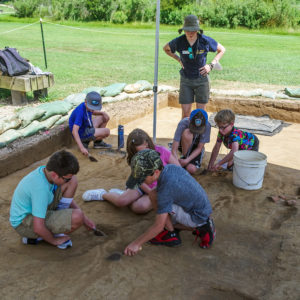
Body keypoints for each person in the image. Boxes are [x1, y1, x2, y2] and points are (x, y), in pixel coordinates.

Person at [123, 149, 215, 256]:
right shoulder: (169, 168)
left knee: (158, 201)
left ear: (156, 172)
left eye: (142, 178)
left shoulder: (166, 189)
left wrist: (136, 243)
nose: (140, 181)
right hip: (200, 208)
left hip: (197, 216)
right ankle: (174, 228)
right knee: (153, 194)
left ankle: (181, 232)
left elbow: (158, 226)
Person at [9, 150, 95, 249]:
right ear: (54, 175)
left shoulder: (46, 172)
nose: (67, 180)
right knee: (77, 217)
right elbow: (38, 227)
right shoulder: (40, 189)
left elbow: (66, 184)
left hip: (35, 211)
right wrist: (55, 241)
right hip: (24, 224)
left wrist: (85, 218)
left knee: (73, 181)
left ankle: (57, 223)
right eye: (65, 179)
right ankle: (42, 237)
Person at [82, 128, 180, 214]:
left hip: (161, 188)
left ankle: (122, 194)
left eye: (146, 148)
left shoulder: (162, 151)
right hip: (144, 186)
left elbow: (178, 169)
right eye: (140, 152)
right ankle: (102, 194)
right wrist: (150, 192)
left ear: (148, 143)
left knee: (139, 207)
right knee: (121, 202)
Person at [163, 14, 225, 119]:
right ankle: (186, 134)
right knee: (186, 114)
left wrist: (211, 65)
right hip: (186, 80)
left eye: (193, 30)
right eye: (187, 30)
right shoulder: (179, 41)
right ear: (183, 30)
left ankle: (199, 135)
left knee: (200, 114)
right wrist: (178, 59)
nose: (190, 33)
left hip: (202, 79)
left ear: (197, 30)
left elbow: (222, 49)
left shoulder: (205, 41)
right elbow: (166, 48)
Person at [69, 91, 111, 156]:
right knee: (107, 131)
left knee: (104, 117)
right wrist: (82, 148)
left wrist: (103, 113)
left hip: (86, 127)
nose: (92, 110)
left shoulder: (86, 106)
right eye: (91, 107)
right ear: (85, 101)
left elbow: (93, 112)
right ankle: (84, 142)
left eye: (94, 108)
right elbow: (74, 131)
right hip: (81, 133)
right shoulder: (80, 112)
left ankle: (98, 143)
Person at [171, 108, 211, 174]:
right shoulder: (183, 123)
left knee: (191, 169)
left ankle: (186, 159)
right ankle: (184, 155)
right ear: (189, 119)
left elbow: (199, 148)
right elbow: (174, 149)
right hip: (183, 144)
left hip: (196, 147)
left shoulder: (207, 126)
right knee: (188, 132)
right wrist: (178, 165)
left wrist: (187, 161)